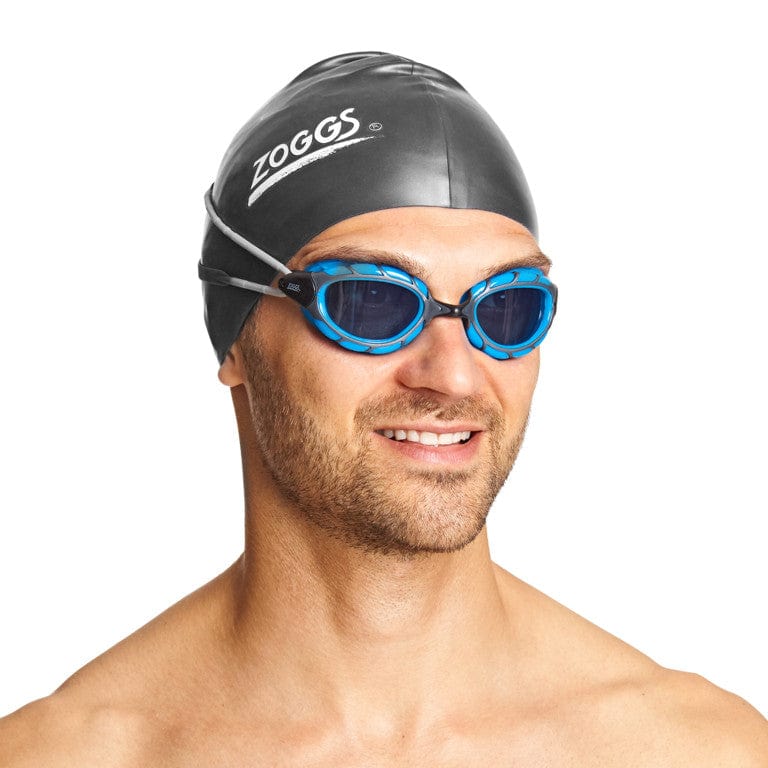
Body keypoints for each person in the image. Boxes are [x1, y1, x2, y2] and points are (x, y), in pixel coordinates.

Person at [1, 51, 765, 766]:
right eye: (370, 302)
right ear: (236, 340)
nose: (455, 377)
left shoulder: (695, 751)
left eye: (506, 310)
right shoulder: (64, 755)